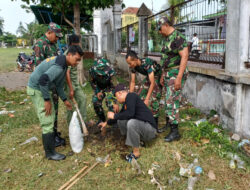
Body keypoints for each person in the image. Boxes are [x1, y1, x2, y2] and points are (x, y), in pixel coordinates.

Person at [27, 45, 84, 161]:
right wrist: (47, 100)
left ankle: (51, 149)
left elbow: (58, 85)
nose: (77, 62)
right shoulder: (59, 66)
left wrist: (65, 100)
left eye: (79, 60)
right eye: (76, 59)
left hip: (41, 87)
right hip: (37, 89)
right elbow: (43, 80)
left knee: (51, 116)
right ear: (69, 55)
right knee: (47, 119)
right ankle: (50, 153)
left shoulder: (63, 65)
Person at [100, 84, 157, 162]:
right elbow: (119, 117)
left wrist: (115, 115)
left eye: (116, 96)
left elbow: (130, 114)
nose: (117, 99)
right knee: (121, 120)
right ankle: (132, 141)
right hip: (143, 129)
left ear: (120, 93)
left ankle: (136, 153)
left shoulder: (131, 96)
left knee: (131, 123)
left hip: (150, 130)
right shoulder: (126, 103)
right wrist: (106, 123)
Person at [33, 22, 65, 147]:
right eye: (56, 36)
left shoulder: (52, 45)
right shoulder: (40, 44)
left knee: (55, 110)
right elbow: (40, 69)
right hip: (45, 84)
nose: (57, 39)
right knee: (49, 111)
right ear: (49, 32)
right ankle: (50, 137)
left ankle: (54, 133)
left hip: (53, 84)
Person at [157, 17, 189, 142]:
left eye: (160, 29)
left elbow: (185, 56)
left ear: (165, 25)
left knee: (172, 101)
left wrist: (179, 78)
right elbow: (165, 59)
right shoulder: (167, 39)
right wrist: (162, 75)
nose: (159, 32)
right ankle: (169, 124)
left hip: (176, 73)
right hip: (167, 73)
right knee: (167, 100)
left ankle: (175, 132)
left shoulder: (178, 37)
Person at [125, 50, 163, 133]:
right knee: (139, 95)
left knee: (154, 99)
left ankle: (155, 126)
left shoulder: (147, 63)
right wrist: (130, 98)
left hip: (158, 77)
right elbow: (132, 82)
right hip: (149, 77)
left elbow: (152, 83)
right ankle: (143, 117)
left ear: (135, 59)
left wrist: (147, 99)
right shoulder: (133, 67)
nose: (129, 65)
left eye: (130, 63)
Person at [65, 34, 87, 124]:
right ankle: (71, 125)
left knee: (83, 99)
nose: (77, 46)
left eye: (78, 44)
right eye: (76, 45)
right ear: (71, 44)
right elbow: (67, 72)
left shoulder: (76, 52)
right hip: (68, 84)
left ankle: (83, 122)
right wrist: (71, 89)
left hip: (75, 83)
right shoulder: (68, 54)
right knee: (70, 105)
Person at [89, 58, 118, 124]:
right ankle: (102, 119)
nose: (101, 76)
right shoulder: (91, 70)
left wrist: (114, 100)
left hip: (109, 87)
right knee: (95, 101)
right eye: (99, 74)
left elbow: (115, 85)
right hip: (99, 88)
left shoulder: (111, 71)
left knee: (110, 102)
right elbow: (92, 82)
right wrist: (97, 92)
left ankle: (113, 120)